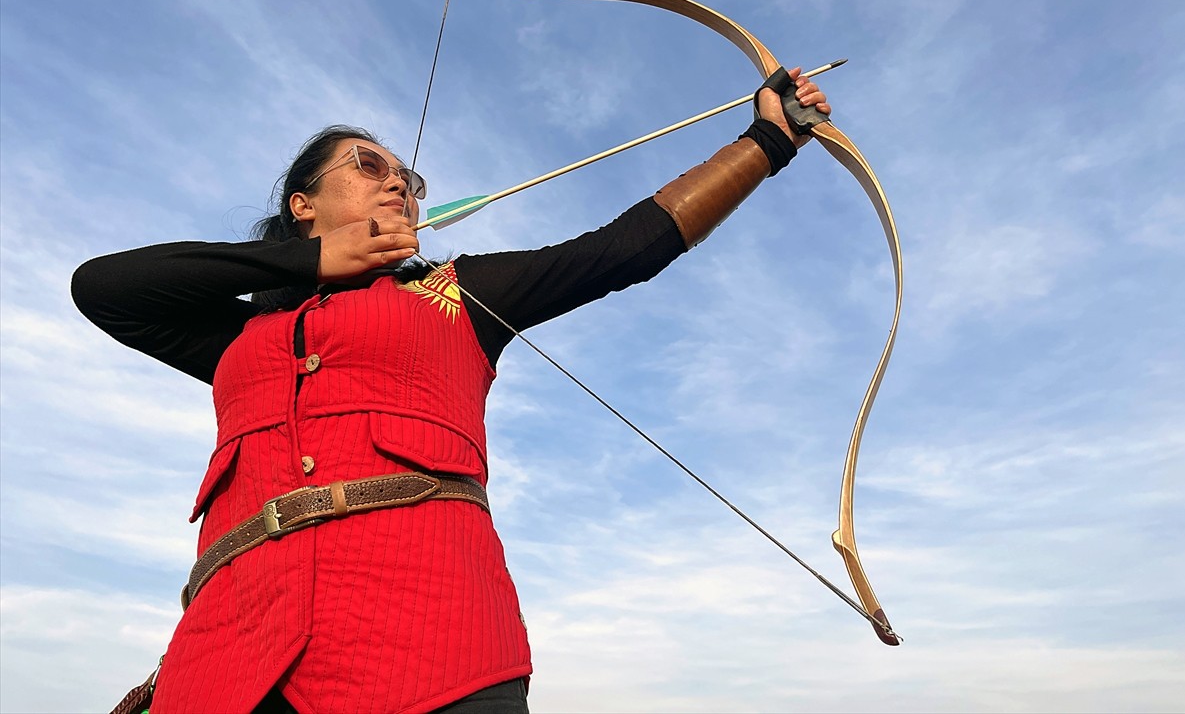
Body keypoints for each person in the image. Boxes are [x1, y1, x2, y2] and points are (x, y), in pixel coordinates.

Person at [72, 70, 830, 714]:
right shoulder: (241, 341)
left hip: (434, 640)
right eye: (368, 165)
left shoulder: (456, 294)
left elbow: (624, 248)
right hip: (228, 658)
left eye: (409, 178)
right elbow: (103, 287)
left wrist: (766, 140)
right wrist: (304, 265)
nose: (398, 180)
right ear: (303, 204)